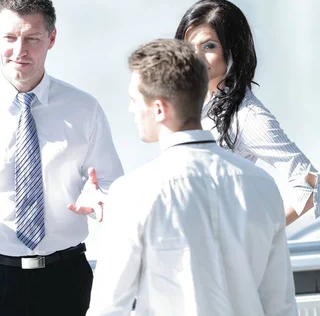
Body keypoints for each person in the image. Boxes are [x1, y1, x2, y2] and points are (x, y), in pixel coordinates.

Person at [0, 0, 124, 315]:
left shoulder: (84, 109)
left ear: (52, 39)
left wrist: (100, 196)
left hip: (66, 279)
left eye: (32, 38)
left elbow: (109, 186)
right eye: (9, 38)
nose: (19, 50)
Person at [88, 39, 297, 315]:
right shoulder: (262, 184)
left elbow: (109, 308)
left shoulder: (132, 193)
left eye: (134, 100)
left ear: (159, 109)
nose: (131, 109)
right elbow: (280, 306)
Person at [175, 0, 317, 225]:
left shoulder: (247, 115)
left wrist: (258, 233)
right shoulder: (193, 103)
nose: (196, 58)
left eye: (209, 46)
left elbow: (310, 184)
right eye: (189, 47)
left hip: (222, 253)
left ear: (232, 49)